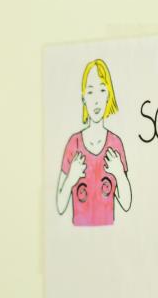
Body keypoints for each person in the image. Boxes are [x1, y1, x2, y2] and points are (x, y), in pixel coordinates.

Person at [56, 59, 132, 226]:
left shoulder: (115, 144)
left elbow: (126, 204)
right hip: (77, 236)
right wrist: (72, 177)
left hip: (111, 237)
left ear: (108, 95)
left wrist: (119, 173)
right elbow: (60, 205)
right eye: (90, 92)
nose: (96, 100)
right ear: (83, 97)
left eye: (102, 90)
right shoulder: (74, 143)